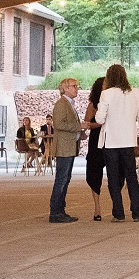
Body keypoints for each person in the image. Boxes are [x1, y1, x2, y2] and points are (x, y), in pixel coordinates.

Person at [94, 64, 139, 222]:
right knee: (131, 177)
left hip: (111, 142)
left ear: (109, 77)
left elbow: (99, 119)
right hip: (129, 140)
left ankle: (119, 213)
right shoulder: (136, 93)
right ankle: (136, 212)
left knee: (114, 179)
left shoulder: (106, 94)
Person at [49, 78, 82, 223]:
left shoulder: (69, 104)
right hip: (64, 147)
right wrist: (79, 127)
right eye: (74, 86)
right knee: (61, 179)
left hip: (69, 146)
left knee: (65, 179)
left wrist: (80, 132)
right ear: (66, 88)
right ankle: (55, 212)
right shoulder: (62, 104)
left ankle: (60, 210)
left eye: (77, 86)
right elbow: (59, 124)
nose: (77, 88)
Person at [83, 77, 105, 220]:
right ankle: (97, 207)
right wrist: (98, 124)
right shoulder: (93, 104)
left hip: (110, 138)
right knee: (94, 172)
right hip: (96, 140)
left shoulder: (112, 102)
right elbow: (87, 122)